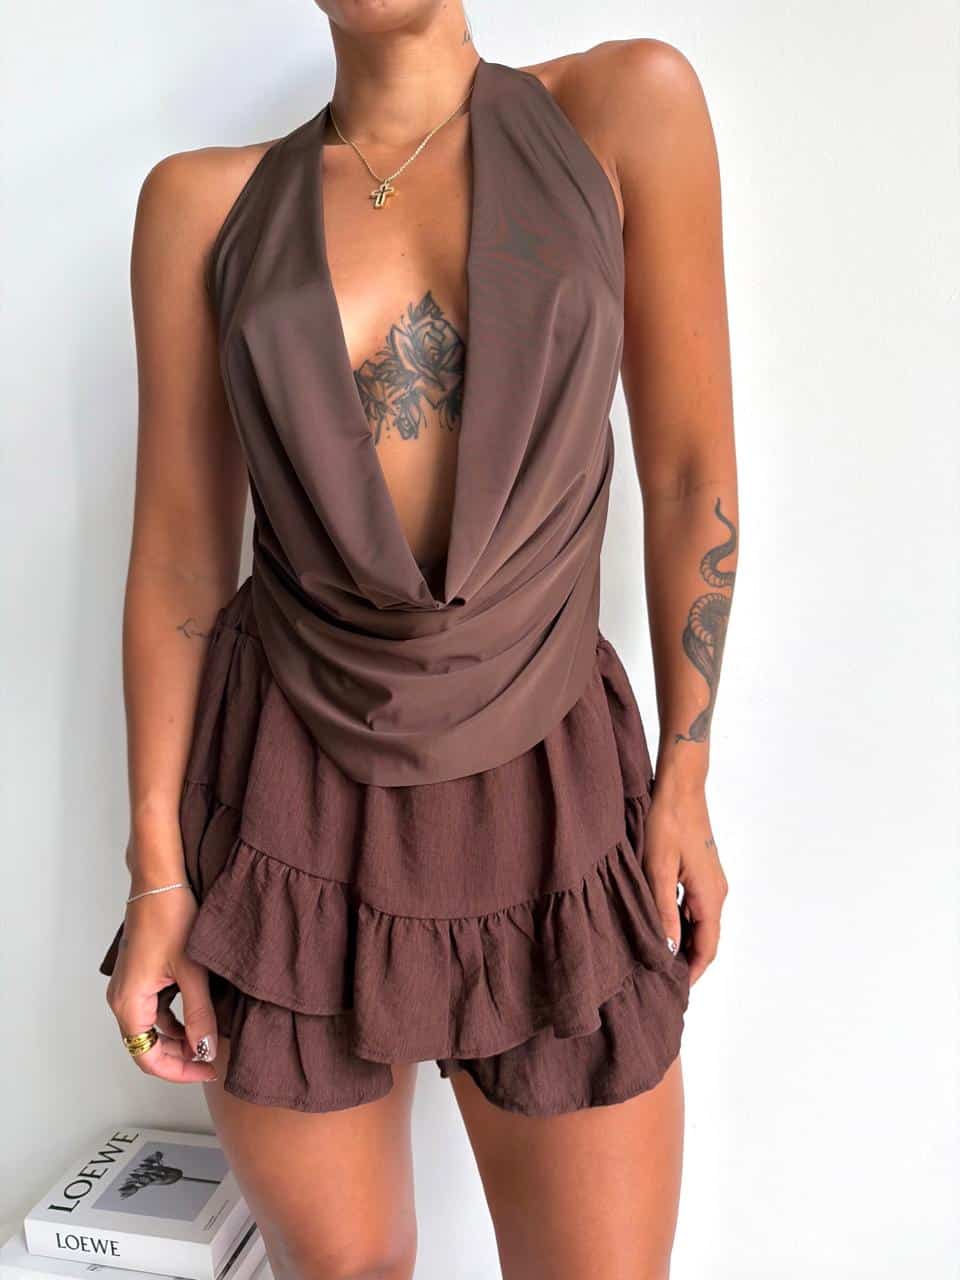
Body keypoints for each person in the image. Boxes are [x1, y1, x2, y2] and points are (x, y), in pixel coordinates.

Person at [99, 2, 736, 1275]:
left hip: (553, 782)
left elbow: (686, 470)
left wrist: (687, 771)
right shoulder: (200, 208)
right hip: (287, 798)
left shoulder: (623, 109)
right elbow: (179, 557)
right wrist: (158, 871)